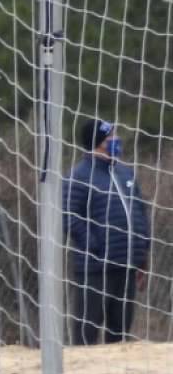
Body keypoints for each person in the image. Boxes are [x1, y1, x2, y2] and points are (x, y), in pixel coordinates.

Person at [66, 118, 152, 345]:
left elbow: (140, 212)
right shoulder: (79, 176)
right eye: (110, 137)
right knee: (87, 333)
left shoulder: (126, 174)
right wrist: (94, 245)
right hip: (96, 268)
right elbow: (68, 216)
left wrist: (143, 251)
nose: (116, 140)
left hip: (127, 265)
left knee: (120, 335)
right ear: (98, 143)